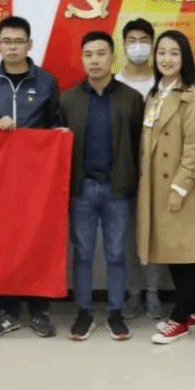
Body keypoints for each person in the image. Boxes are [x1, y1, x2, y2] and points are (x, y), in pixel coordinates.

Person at [0, 16, 62, 340]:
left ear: (29, 44)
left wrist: (57, 136)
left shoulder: (46, 81)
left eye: (19, 42)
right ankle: (6, 312)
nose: (12, 47)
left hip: (37, 179)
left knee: (37, 240)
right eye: (6, 41)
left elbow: (55, 124)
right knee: (3, 242)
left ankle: (39, 310)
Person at [60, 31, 144, 341]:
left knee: (116, 254)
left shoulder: (131, 99)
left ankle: (115, 313)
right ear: (82, 59)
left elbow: (138, 145)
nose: (94, 60)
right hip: (81, 189)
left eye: (100, 53)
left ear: (113, 57)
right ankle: (84, 312)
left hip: (117, 189)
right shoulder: (68, 99)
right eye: (88, 55)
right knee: (82, 254)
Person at [138, 30, 195, 344]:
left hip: (184, 186)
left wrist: (179, 188)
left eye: (174, 53)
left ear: (185, 58)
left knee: (187, 253)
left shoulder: (194, 96)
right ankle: (192, 311)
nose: (166, 59)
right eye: (162, 52)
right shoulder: (154, 95)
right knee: (172, 250)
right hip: (156, 186)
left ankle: (179, 318)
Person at [115, 18, 166, 321]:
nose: (138, 46)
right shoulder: (115, 83)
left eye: (144, 40)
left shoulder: (163, 82)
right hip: (124, 172)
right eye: (132, 41)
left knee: (155, 235)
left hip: (158, 172)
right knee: (129, 238)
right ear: (123, 46)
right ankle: (133, 293)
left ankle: (154, 292)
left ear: (152, 44)